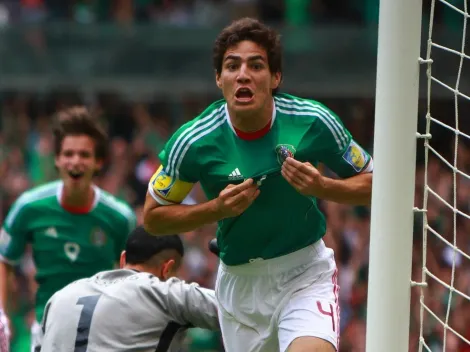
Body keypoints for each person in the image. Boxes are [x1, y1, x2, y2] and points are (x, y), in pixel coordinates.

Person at [143, 18, 373, 352]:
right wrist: (216, 209)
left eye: (256, 65)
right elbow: (153, 217)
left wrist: (322, 186)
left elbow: (375, 184)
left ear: (275, 77)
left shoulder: (313, 121)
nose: (243, 74)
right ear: (219, 79)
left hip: (304, 274)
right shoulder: (194, 141)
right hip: (241, 285)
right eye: (232, 66)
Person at [0, 107, 136, 352]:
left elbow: (133, 275)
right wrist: (2, 314)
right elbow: (5, 259)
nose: (75, 161)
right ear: (57, 159)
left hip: (101, 332)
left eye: (84, 154)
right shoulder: (28, 207)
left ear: (98, 162)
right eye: (68, 153)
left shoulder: (119, 217)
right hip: (46, 329)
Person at [40, 226, 219, 352]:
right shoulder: (165, 293)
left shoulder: (59, 297)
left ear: (123, 259)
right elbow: (232, 309)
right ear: (167, 269)